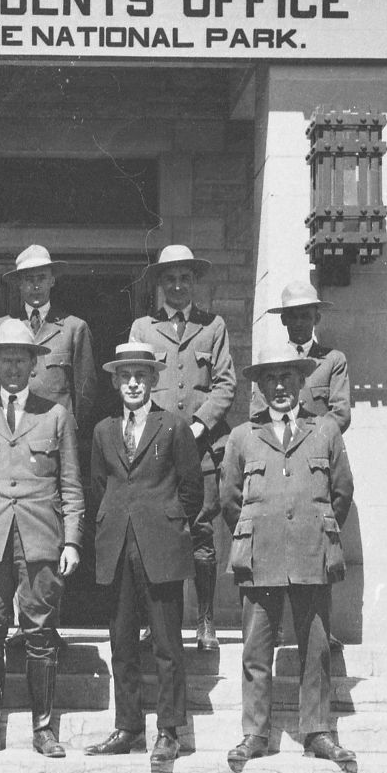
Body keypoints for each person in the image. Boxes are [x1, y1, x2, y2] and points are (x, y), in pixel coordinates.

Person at [220, 338, 358, 773]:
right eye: (270, 379)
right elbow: (229, 498)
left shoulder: (325, 432)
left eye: (287, 378)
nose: (279, 387)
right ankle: (255, 733)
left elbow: (342, 492)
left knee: (315, 647)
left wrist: (315, 529)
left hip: (311, 554)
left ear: (301, 383)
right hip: (260, 555)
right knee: (255, 650)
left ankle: (317, 730)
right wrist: (258, 531)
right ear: (259, 387)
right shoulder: (243, 437)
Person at [0, 317, 84, 758]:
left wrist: (71, 541)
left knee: (41, 630)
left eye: (20, 359)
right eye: (3, 359)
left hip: (40, 536)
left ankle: (43, 728)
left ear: (33, 365)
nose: (11, 367)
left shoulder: (56, 415)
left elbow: (70, 485)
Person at [83, 343, 204, 767]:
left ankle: (169, 730)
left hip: (161, 549)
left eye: (141, 376)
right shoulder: (103, 431)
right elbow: (99, 485)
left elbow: (191, 489)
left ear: (153, 380)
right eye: (125, 376)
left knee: (168, 644)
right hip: (116, 547)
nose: (133, 383)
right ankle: (129, 726)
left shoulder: (173, 426)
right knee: (121, 643)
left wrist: (165, 523)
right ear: (116, 383)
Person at [127, 244, 238, 651]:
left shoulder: (213, 327)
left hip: (203, 446)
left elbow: (225, 384)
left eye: (185, 278)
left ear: (194, 283)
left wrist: (197, 425)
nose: (177, 286)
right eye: (170, 278)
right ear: (159, 284)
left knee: (202, 532)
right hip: (159, 447)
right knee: (153, 534)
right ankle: (152, 620)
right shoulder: (143, 328)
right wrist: (161, 430)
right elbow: (134, 380)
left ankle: (205, 621)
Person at [0, 245, 97, 434]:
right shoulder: (1, 327)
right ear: (19, 283)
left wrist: (69, 425)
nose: (35, 286)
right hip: (13, 428)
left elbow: (86, 390)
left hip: (56, 431)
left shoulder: (74, 328)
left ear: (52, 280)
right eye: (29, 279)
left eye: (42, 278)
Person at [249, 282, 351, 432]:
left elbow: (341, 414)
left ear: (316, 319)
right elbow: (258, 413)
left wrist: (309, 439)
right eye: (293, 317)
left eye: (305, 316)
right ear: (284, 320)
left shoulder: (333, 360)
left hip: (319, 448)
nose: (299, 323)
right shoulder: (270, 361)